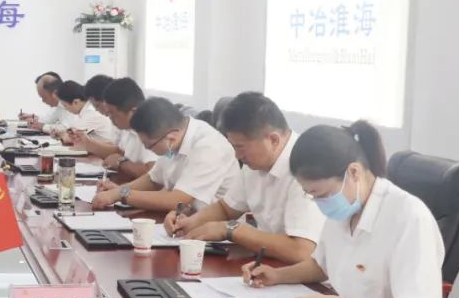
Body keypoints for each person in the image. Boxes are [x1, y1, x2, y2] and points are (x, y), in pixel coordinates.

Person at [246, 121, 445, 298]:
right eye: (311, 195)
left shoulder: (408, 217)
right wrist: (277, 275)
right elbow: (322, 266)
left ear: (354, 172)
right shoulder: (347, 205)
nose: (319, 202)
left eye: (322, 194)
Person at [164, 93, 324, 263]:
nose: (237, 155)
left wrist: (231, 230)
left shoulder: (306, 167)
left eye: (240, 147)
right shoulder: (255, 162)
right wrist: (189, 223)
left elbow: (301, 251)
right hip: (269, 263)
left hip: (308, 274)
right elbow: (226, 209)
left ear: (273, 140)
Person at [92, 96, 237, 213]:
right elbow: (153, 180)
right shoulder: (172, 142)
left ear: (171, 139)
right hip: (183, 218)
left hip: (215, 230)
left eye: (149, 146)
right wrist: (118, 190)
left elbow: (178, 200)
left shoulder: (209, 147)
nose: (148, 150)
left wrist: (122, 195)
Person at [85, 78, 156, 177]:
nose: (110, 118)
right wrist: (87, 143)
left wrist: (120, 163)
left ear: (133, 112)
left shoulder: (152, 129)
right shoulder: (127, 128)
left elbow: (152, 173)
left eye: (112, 114)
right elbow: (119, 152)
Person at [44, 79, 120, 146]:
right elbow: (70, 131)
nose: (66, 109)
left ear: (76, 102)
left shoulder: (91, 113)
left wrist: (60, 133)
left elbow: (69, 138)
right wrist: (61, 133)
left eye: (65, 106)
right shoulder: (83, 112)